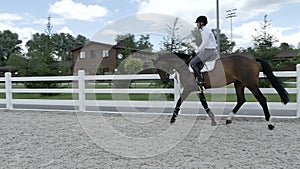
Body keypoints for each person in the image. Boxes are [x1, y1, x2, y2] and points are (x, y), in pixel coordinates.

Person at [189, 15, 219, 86]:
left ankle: (200, 81)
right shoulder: (205, 30)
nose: (197, 25)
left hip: (209, 51)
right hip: (208, 50)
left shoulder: (205, 31)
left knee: (192, 63)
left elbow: (205, 43)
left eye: (198, 23)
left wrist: (197, 50)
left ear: (201, 23)